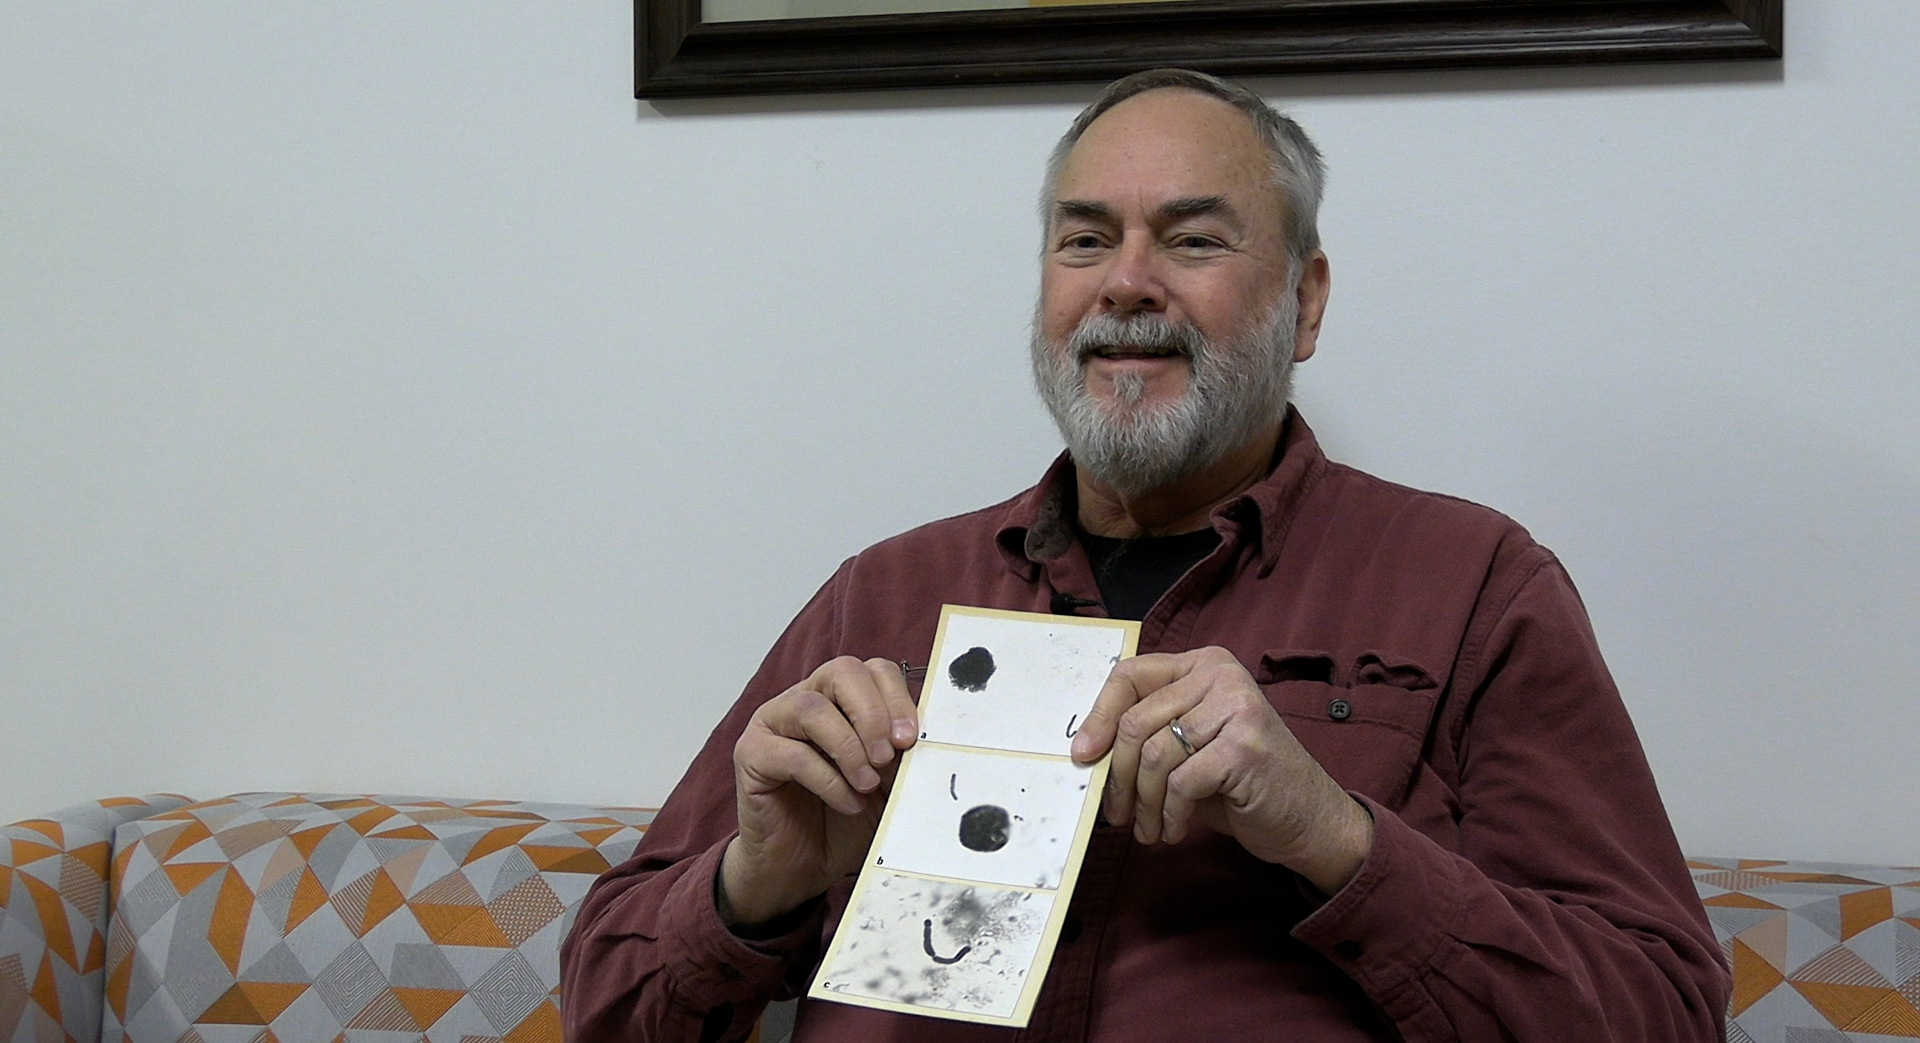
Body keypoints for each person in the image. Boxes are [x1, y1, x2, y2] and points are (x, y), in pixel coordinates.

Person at [560, 68, 1730, 1042]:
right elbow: (602, 1006)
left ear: (1305, 304)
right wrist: (754, 886)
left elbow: (1665, 1012)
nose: (1126, 282)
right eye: (1084, 240)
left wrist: (1333, 837)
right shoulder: (887, 592)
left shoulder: (1475, 583)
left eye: (1193, 237)